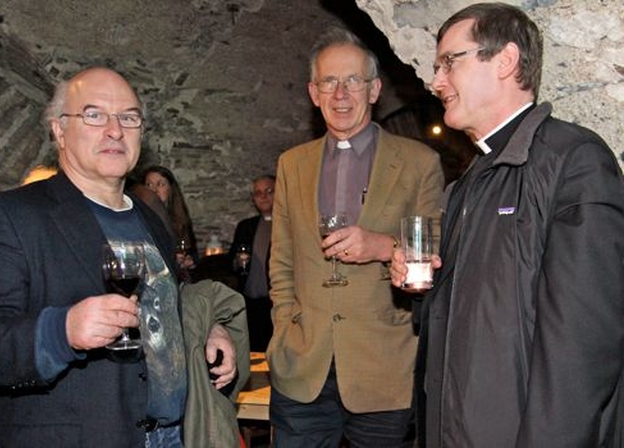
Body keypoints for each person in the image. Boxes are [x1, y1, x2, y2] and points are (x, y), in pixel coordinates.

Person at [389, 3, 624, 447]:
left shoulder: (574, 162)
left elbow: (583, 348)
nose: (436, 81)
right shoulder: (467, 184)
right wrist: (421, 285)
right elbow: (467, 311)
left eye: (449, 63)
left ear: (505, 60)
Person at [0, 67, 239, 447]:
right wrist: (63, 330)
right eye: (94, 114)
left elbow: (161, 306)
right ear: (58, 130)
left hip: (170, 436)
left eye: (128, 117)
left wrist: (200, 328)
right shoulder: (12, 216)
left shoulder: (149, 218)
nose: (115, 130)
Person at [268, 27, 444, 447]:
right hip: (302, 369)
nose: (341, 94)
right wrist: (283, 331)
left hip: (384, 371)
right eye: (329, 81)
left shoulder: (420, 162)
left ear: (374, 90)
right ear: (314, 92)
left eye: (353, 81)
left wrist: (383, 247)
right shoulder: (292, 164)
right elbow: (282, 263)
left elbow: (437, 254)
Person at [229, 174, 276, 352]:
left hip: (276, 305)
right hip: (249, 304)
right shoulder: (245, 226)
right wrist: (237, 262)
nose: (263, 196)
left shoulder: (288, 225)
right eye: (258, 193)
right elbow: (230, 262)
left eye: (269, 191)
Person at [142, 165, 199, 282]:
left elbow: (193, 254)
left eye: (161, 184)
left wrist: (189, 262)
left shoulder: (179, 219)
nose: (154, 190)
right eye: (149, 185)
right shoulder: (138, 218)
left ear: (170, 189)